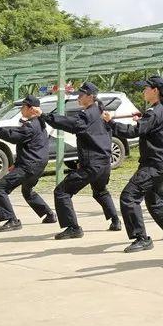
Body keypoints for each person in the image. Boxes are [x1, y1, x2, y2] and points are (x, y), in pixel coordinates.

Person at [104, 76, 163, 252]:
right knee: (153, 199)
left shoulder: (155, 111)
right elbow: (150, 126)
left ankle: (141, 238)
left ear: (155, 90)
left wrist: (110, 122)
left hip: (154, 163)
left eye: (146, 88)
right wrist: (143, 119)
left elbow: (134, 131)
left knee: (128, 197)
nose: (143, 91)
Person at [39, 82, 121, 238]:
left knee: (62, 192)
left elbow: (70, 124)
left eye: (81, 95)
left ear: (90, 97)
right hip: (104, 163)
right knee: (100, 191)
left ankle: (73, 228)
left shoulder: (88, 114)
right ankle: (116, 220)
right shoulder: (101, 112)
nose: (78, 97)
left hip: (93, 164)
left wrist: (44, 115)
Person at [0, 95, 56, 231]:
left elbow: (13, 136)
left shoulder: (31, 126)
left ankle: (12, 220)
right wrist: (16, 164)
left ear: (30, 109)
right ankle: (49, 214)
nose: (21, 109)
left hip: (29, 166)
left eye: (23, 106)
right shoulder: (40, 123)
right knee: (27, 191)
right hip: (37, 165)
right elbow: (29, 147)